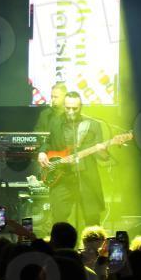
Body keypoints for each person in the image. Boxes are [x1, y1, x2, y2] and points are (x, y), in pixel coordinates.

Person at [37, 91, 108, 226]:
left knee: (92, 219)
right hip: (62, 177)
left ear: (81, 107)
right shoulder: (55, 122)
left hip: (86, 177)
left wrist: (102, 152)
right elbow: (48, 142)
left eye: (74, 108)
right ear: (64, 106)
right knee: (58, 219)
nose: (71, 112)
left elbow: (102, 156)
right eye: (68, 108)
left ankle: (92, 240)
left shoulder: (93, 125)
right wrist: (42, 152)